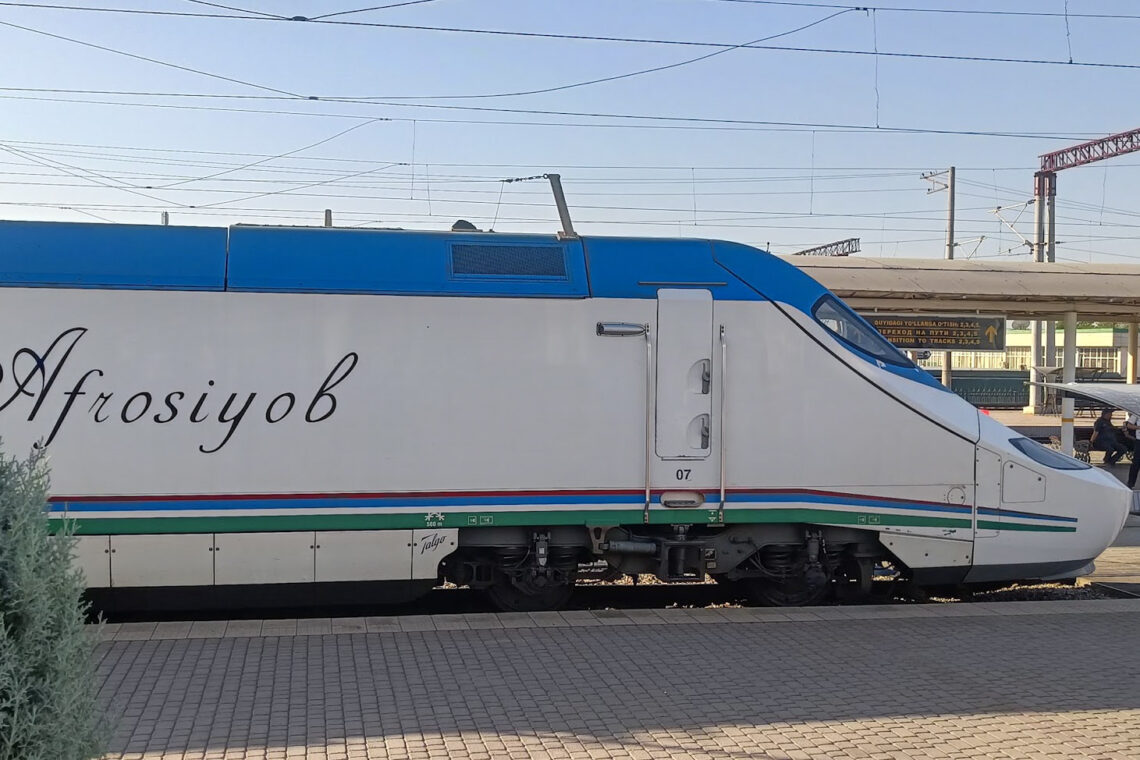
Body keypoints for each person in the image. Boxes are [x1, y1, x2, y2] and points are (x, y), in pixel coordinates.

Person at [1125, 411, 1140, 487]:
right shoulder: (1137, 412)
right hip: (1139, 441)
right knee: (1136, 463)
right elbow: (1129, 425)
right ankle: (1130, 483)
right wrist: (1138, 427)